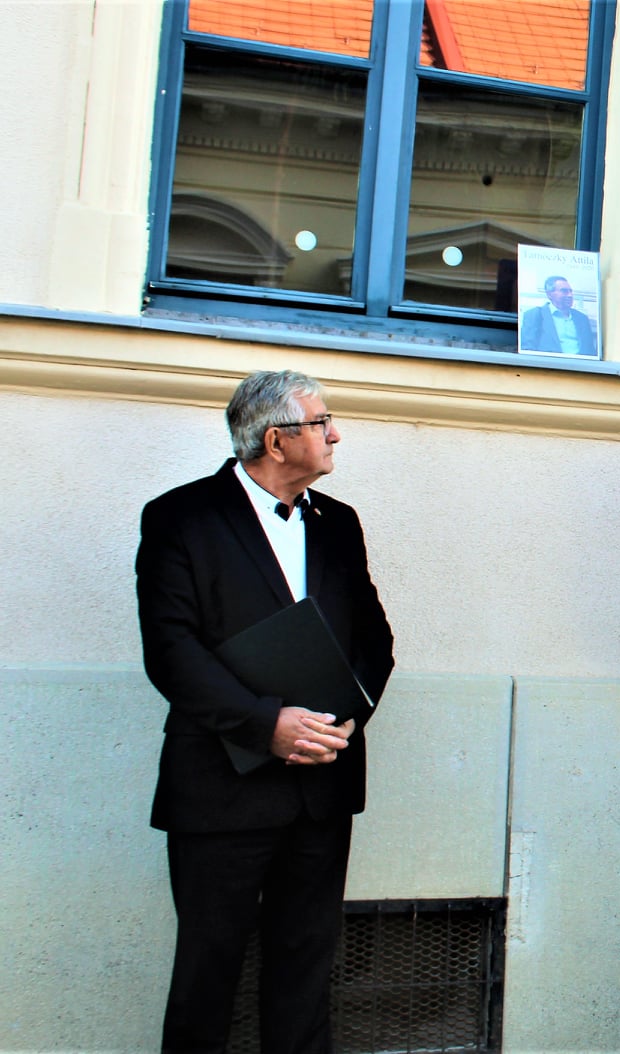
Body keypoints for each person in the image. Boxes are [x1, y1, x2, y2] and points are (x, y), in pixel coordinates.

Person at [136, 370, 396, 1054]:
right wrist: (265, 726)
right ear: (276, 441)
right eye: (321, 422)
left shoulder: (339, 523)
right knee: (207, 975)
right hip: (221, 787)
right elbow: (171, 651)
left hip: (321, 785)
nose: (335, 434)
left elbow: (374, 640)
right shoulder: (179, 517)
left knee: (306, 972)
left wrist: (346, 719)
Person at [519, 274, 597, 355]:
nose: (570, 295)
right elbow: (527, 348)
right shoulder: (535, 315)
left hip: (579, 362)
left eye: (570, 291)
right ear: (549, 294)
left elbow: (590, 350)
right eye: (564, 291)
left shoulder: (582, 318)